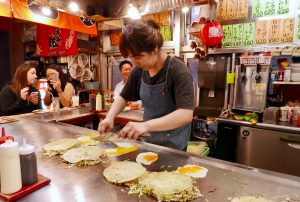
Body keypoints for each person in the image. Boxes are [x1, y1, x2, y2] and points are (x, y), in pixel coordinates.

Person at [98, 19, 195, 150]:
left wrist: (145, 125)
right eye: (131, 57)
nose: (134, 62)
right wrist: (110, 117)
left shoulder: (178, 71)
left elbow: (185, 114)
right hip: (149, 144)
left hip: (174, 148)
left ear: (154, 50)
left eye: (138, 57)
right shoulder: (139, 70)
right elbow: (123, 96)